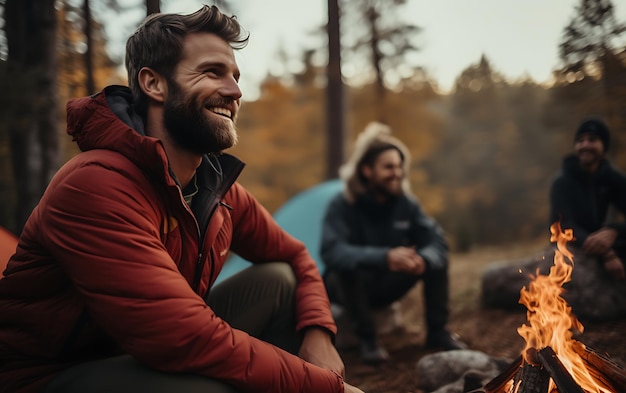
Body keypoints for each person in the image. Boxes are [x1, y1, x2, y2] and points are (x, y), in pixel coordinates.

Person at [0, 6, 364, 393]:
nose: (235, 91)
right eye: (212, 72)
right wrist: (330, 388)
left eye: (236, 77)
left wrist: (318, 331)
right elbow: (181, 338)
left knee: (277, 279)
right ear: (154, 84)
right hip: (47, 376)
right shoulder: (96, 184)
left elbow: (296, 256)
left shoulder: (214, 188)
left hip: (141, 355)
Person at [320, 122, 467, 365]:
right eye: (389, 167)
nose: (397, 173)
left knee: (434, 259)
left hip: (387, 285)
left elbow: (437, 241)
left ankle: (437, 332)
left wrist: (424, 259)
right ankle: (367, 339)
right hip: (349, 290)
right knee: (346, 267)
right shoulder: (343, 204)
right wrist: (386, 256)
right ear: (367, 171)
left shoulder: (405, 204)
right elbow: (333, 251)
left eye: (399, 167)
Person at [549, 117, 626, 281]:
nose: (584, 145)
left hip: (602, 240)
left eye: (592, 139)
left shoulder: (612, 177)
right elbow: (562, 226)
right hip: (573, 246)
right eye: (580, 140)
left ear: (603, 145)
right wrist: (607, 254)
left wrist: (614, 230)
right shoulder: (562, 182)